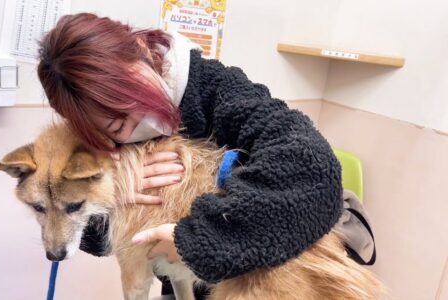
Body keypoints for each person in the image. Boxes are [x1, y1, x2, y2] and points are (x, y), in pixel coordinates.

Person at [37, 13, 343, 297]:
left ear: (142, 49)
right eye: (119, 126)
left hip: (274, 262)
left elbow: (314, 171)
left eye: (138, 94)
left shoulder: (218, 87)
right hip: (189, 281)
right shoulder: (98, 146)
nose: (145, 118)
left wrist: (195, 240)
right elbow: (98, 241)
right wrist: (110, 195)